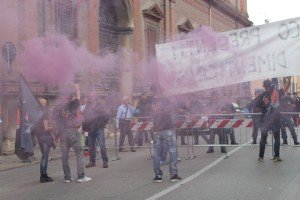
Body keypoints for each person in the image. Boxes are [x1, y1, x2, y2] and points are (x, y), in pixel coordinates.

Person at [55, 84, 92, 183]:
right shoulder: (73, 104)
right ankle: (81, 176)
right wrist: (78, 88)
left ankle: (67, 177)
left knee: (65, 156)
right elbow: (78, 100)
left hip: (63, 133)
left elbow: (56, 120)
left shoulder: (60, 107)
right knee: (79, 154)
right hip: (72, 131)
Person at [150, 84, 181, 183]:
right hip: (167, 128)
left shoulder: (150, 101)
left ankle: (158, 176)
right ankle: (173, 175)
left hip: (157, 130)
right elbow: (172, 110)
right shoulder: (166, 100)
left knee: (156, 153)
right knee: (172, 152)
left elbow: (150, 114)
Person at [257, 78, 288, 162]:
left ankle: (261, 157)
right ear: (270, 85)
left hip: (265, 120)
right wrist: (288, 79)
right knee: (277, 138)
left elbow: (257, 108)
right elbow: (285, 88)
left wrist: (265, 108)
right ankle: (276, 156)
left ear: (264, 86)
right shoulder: (276, 93)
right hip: (275, 119)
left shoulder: (261, 95)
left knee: (263, 138)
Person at [83, 91, 109, 168]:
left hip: (99, 128)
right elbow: (85, 116)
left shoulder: (100, 105)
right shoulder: (88, 106)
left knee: (102, 145)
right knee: (91, 147)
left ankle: (105, 161)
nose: (92, 97)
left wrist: (102, 124)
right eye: (91, 96)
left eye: (93, 96)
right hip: (91, 128)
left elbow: (106, 115)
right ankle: (92, 161)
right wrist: (84, 127)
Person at [32, 98, 55, 183]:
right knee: (45, 157)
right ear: (43, 105)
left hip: (39, 137)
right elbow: (46, 128)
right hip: (45, 137)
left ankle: (43, 174)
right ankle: (43, 175)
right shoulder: (44, 114)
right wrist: (52, 127)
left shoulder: (36, 114)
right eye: (45, 104)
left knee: (44, 156)